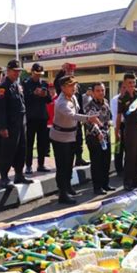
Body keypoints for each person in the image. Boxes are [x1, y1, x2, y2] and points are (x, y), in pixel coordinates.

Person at [50, 75, 101, 204]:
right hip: (60, 137)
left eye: (74, 85)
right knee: (62, 166)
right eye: (70, 85)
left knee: (69, 164)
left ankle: (67, 187)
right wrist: (89, 118)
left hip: (71, 135)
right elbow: (72, 115)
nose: (74, 88)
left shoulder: (72, 97)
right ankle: (63, 194)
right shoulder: (61, 102)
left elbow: (78, 111)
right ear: (62, 88)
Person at [0, 60, 33, 188]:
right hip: (10, 124)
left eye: (19, 72)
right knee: (8, 150)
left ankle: (19, 174)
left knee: (22, 149)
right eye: (15, 71)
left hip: (21, 122)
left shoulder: (17, 86)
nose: (17, 74)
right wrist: (3, 127)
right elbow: (1, 109)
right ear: (8, 71)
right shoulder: (3, 87)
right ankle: (4, 177)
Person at [115, 73, 137, 191]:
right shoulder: (121, 98)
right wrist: (117, 131)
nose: (132, 85)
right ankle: (127, 182)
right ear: (124, 83)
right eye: (129, 83)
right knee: (130, 156)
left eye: (133, 83)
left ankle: (136, 181)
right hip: (130, 128)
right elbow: (119, 116)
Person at [85, 82, 115, 195]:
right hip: (94, 137)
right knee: (97, 163)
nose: (101, 92)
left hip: (106, 136)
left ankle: (105, 184)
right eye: (98, 91)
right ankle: (97, 187)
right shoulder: (89, 105)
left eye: (102, 90)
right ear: (93, 92)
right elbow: (91, 122)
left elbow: (108, 118)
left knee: (106, 161)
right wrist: (98, 133)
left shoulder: (105, 103)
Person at [23, 63, 51, 174]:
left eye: (40, 74)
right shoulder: (26, 83)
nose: (38, 76)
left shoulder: (44, 84)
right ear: (32, 72)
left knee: (42, 143)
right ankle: (28, 165)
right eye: (36, 74)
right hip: (31, 117)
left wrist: (45, 95)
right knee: (29, 143)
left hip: (42, 117)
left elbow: (49, 100)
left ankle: (41, 164)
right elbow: (24, 99)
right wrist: (34, 94)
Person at [111, 81, 125, 175]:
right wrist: (117, 130)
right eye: (123, 87)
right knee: (118, 149)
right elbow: (115, 115)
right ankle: (119, 169)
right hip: (119, 125)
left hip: (130, 126)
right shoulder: (115, 99)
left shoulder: (133, 98)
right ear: (120, 88)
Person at [45, 83, 57, 157]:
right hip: (46, 124)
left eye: (52, 89)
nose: (51, 91)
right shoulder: (45, 99)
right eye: (49, 89)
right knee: (46, 144)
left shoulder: (58, 99)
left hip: (55, 124)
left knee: (56, 144)